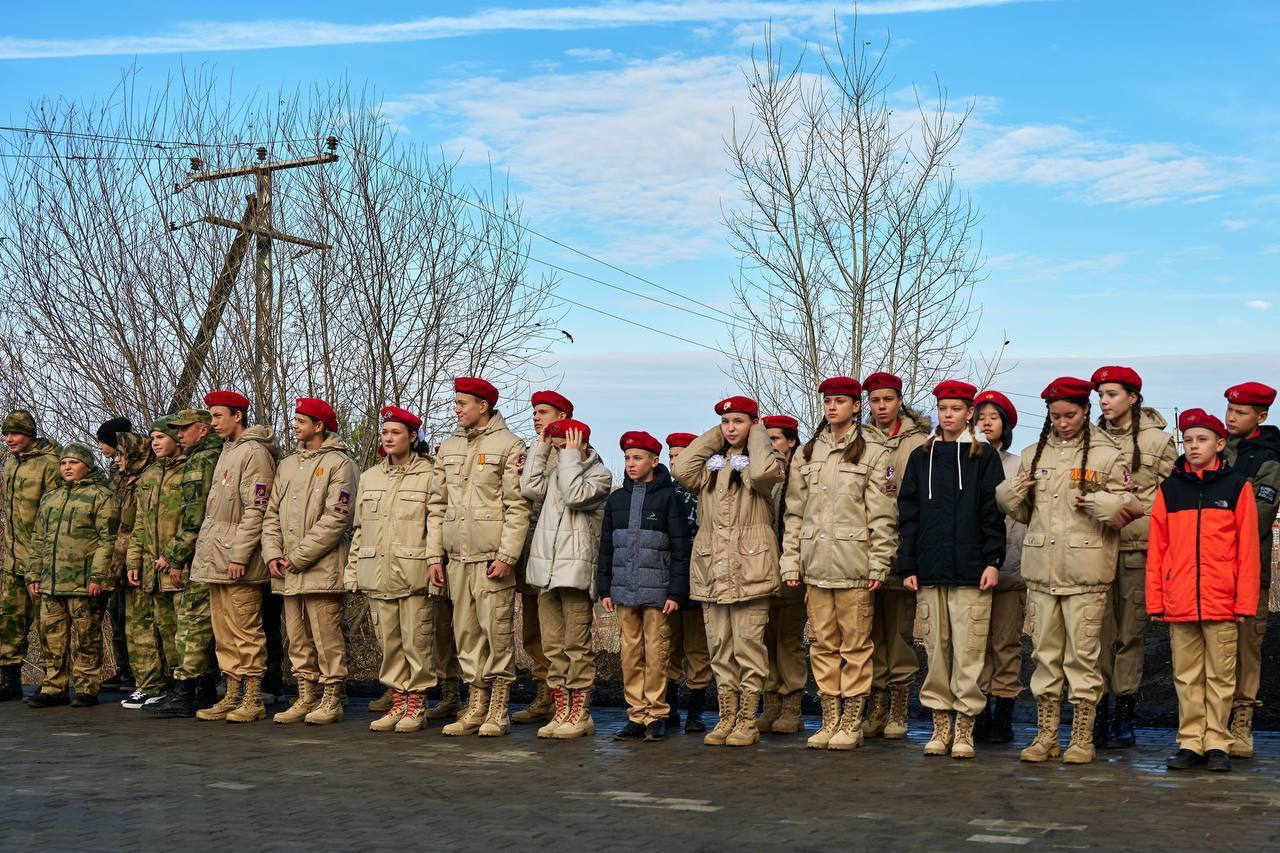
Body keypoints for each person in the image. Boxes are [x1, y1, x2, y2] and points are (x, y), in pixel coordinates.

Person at [996, 377, 1142, 765]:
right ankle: (1046, 735)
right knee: (1045, 655)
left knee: (1083, 656)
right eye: (1055, 415)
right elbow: (1025, 513)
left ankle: (1081, 737)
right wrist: (1011, 494)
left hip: (1087, 572)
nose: (1062, 422)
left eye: (1070, 415)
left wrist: (1100, 503)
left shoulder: (1107, 455)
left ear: (1085, 411)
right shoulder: (1032, 454)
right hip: (1042, 571)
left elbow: (1132, 505)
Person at [781, 377, 897, 751]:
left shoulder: (874, 453)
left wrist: (879, 565)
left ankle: (852, 721)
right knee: (823, 645)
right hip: (816, 565)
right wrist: (791, 562)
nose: (832, 408)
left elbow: (882, 515)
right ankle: (830, 719)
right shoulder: (808, 451)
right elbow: (794, 513)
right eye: (828, 401)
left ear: (856, 407)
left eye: (840, 402)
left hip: (854, 566)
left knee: (856, 647)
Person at [897, 381, 1006, 759]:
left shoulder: (984, 457)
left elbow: (994, 514)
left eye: (956, 409)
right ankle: (940, 726)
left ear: (969, 413)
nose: (948, 415)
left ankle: (965, 728)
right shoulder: (921, 456)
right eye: (943, 408)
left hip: (972, 572)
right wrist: (907, 564)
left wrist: (993, 561)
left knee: (970, 650)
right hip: (929, 569)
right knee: (936, 650)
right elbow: (908, 515)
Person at [1148, 409, 1259, 773]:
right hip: (1180, 599)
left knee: (1221, 675)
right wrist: (1156, 598)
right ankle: (1190, 741)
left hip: (1222, 600)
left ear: (1220, 443)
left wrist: (1244, 601)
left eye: (1202, 440)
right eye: (1189, 440)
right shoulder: (1170, 489)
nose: (1194, 446)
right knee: (1186, 675)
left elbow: (1247, 551)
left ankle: (1217, 741)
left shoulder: (1236, 486)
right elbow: (1158, 549)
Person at [673, 395, 786, 747]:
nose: (731, 427)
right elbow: (681, 468)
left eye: (738, 421)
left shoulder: (766, 461)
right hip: (712, 569)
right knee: (720, 647)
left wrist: (757, 432)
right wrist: (717, 436)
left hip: (750, 567)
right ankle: (726, 717)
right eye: (726, 422)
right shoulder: (711, 465)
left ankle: (747, 721)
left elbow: (765, 473)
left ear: (752, 424)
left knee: (748, 648)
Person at [427, 378, 531, 737]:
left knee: (496, 633)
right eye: (456, 403)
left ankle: (498, 709)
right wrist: (433, 557)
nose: (456, 409)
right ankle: (475, 706)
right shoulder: (450, 447)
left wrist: (507, 556)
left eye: (462, 403)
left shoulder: (509, 445)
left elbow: (518, 507)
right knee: (466, 634)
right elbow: (437, 505)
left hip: (491, 558)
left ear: (483, 406)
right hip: (457, 558)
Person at [1091, 366, 1177, 747]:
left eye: (1111, 394)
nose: (1104, 401)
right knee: (1093, 637)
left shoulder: (1157, 442)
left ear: (1133, 397)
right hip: (1093, 550)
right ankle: (1094, 712)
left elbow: (1174, 498)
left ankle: (1124, 715)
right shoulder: (1089, 440)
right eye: (1101, 395)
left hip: (1136, 553)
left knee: (1128, 637)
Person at [261, 398, 358, 726]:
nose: (295, 425)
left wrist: (299, 557)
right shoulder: (287, 465)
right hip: (287, 568)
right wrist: (273, 553)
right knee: (297, 635)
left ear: (319, 426)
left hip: (321, 566)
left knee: (326, 633)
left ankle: (333, 695)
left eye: (302, 420)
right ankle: (307, 693)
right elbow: (271, 512)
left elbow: (337, 517)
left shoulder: (340, 464)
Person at [347, 407, 441, 733]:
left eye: (396, 432)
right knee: (389, 644)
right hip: (376, 572)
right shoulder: (370, 476)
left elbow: (435, 525)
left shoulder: (430, 474)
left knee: (416, 642)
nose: (388, 438)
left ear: (413, 437)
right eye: (385, 432)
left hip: (413, 573)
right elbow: (360, 529)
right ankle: (398, 700)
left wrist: (434, 563)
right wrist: (353, 571)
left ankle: (417, 704)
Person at [190, 390, 279, 724]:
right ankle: (232, 693)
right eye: (211, 417)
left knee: (245, 628)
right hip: (216, 556)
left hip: (238, 558)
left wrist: (240, 554)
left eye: (218, 416)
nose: (212, 423)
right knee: (224, 630)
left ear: (238, 415)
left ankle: (253, 696)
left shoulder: (254, 453)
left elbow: (257, 508)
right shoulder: (229, 451)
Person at [520, 417, 611, 739]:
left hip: (574, 573)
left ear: (581, 444)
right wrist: (541, 448)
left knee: (576, 646)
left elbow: (575, 496)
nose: (561, 454)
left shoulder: (600, 475)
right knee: (554, 646)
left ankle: (580, 713)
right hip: (546, 571)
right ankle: (561, 709)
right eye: (557, 449)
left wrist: (571, 455)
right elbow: (529, 487)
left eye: (564, 447)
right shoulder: (558, 470)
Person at [600, 431, 692, 741]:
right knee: (630, 654)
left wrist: (676, 592)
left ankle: (656, 715)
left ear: (654, 461)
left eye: (637, 458)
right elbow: (606, 548)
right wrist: (605, 589)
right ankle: (636, 715)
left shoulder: (669, 498)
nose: (630, 463)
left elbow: (680, 549)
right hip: (625, 592)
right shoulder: (616, 500)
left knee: (657, 653)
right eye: (627, 458)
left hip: (659, 593)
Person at [24, 443, 119, 707]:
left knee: (87, 636)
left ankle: (87, 687)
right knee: (51, 638)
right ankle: (54, 686)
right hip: (52, 582)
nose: (67, 467)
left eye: (73, 463)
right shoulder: (50, 498)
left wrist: (98, 576)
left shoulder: (101, 496)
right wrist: (34, 573)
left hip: (84, 582)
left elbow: (107, 540)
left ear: (87, 466)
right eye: (64, 463)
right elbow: (39, 538)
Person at [862, 371, 930, 740]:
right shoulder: (859, 439)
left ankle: (899, 709)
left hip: (903, 545)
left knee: (900, 633)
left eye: (887, 399)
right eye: (874, 400)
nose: (881, 406)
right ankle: (875, 708)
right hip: (864, 548)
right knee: (868, 634)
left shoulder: (919, 441)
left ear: (899, 400)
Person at [143, 409, 223, 718]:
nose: (180, 434)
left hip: (205, 551)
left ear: (202, 430)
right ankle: (199, 689)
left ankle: (187, 690)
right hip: (211, 550)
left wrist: (174, 555)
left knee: (192, 621)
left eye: (184, 429)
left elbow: (195, 518)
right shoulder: (211, 455)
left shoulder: (202, 461)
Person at [1222, 381, 1280, 758]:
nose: (1231, 417)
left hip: (1248, 572)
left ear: (1261, 416)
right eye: (1228, 409)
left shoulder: (1269, 461)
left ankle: (1241, 725)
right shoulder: (1214, 450)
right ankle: (1211, 722)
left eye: (1240, 412)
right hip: (1208, 573)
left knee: (1246, 650)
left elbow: (1257, 519)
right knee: (1211, 651)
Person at [510, 389, 572, 726]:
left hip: (559, 557)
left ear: (562, 417)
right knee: (533, 631)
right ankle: (544, 691)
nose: (537, 417)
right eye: (535, 411)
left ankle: (565, 696)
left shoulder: (573, 453)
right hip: (529, 551)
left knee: (560, 633)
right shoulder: (529, 451)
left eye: (544, 411)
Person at [973, 390, 1026, 743]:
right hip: (971, 569)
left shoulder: (1018, 464)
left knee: (1005, 643)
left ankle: (1004, 712)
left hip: (1009, 566)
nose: (986, 423)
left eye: (994, 417)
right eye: (981, 417)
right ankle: (977, 711)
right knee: (974, 645)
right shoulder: (965, 462)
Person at [121, 417, 184, 709]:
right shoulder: (148, 477)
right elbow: (140, 526)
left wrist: (174, 556)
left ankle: (182, 685)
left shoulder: (188, 471)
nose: (156, 442)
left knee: (179, 632)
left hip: (175, 567)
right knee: (157, 627)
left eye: (161, 436)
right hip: (149, 568)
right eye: (153, 437)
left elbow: (192, 521)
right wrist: (133, 560)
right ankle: (163, 686)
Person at [0, 410, 61, 702]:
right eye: (6, 434)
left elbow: (54, 514)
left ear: (30, 434)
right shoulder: (11, 463)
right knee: (9, 619)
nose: (9, 439)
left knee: (47, 622)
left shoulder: (49, 465)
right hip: (13, 559)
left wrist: (43, 558)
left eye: (15, 433)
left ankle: (53, 680)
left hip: (39, 561)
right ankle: (9, 678)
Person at [759, 414, 807, 735]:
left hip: (792, 568)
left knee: (788, 640)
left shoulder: (801, 475)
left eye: (775, 439)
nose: (771, 446)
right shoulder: (764, 476)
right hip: (763, 569)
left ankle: (792, 704)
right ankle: (770, 702)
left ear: (791, 441)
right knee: (764, 638)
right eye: (767, 440)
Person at [663, 432, 710, 733]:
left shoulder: (705, 491)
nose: (675, 461)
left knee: (697, 648)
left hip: (699, 577)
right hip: (668, 582)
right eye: (671, 456)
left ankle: (695, 712)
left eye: (681, 456)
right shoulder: (663, 493)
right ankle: (668, 708)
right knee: (668, 646)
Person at [97, 416, 143, 694]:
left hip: (130, 550)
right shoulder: (115, 471)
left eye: (104, 441)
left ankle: (137, 672)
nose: (102, 447)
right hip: (115, 550)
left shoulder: (136, 470)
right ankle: (124, 669)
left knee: (133, 619)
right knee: (117, 616)